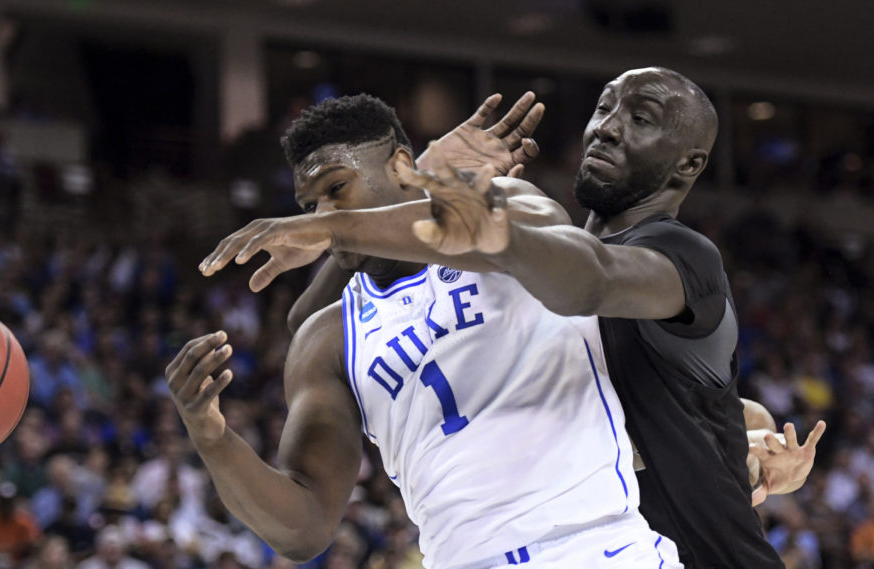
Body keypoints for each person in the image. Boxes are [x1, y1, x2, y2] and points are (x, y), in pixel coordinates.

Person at [199, 70, 827, 569]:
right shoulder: (556, 273)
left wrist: (371, 209)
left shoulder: (659, 258)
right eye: (603, 109)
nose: (606, 129)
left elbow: (594, 290)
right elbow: (678, 401)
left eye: (637, 118)